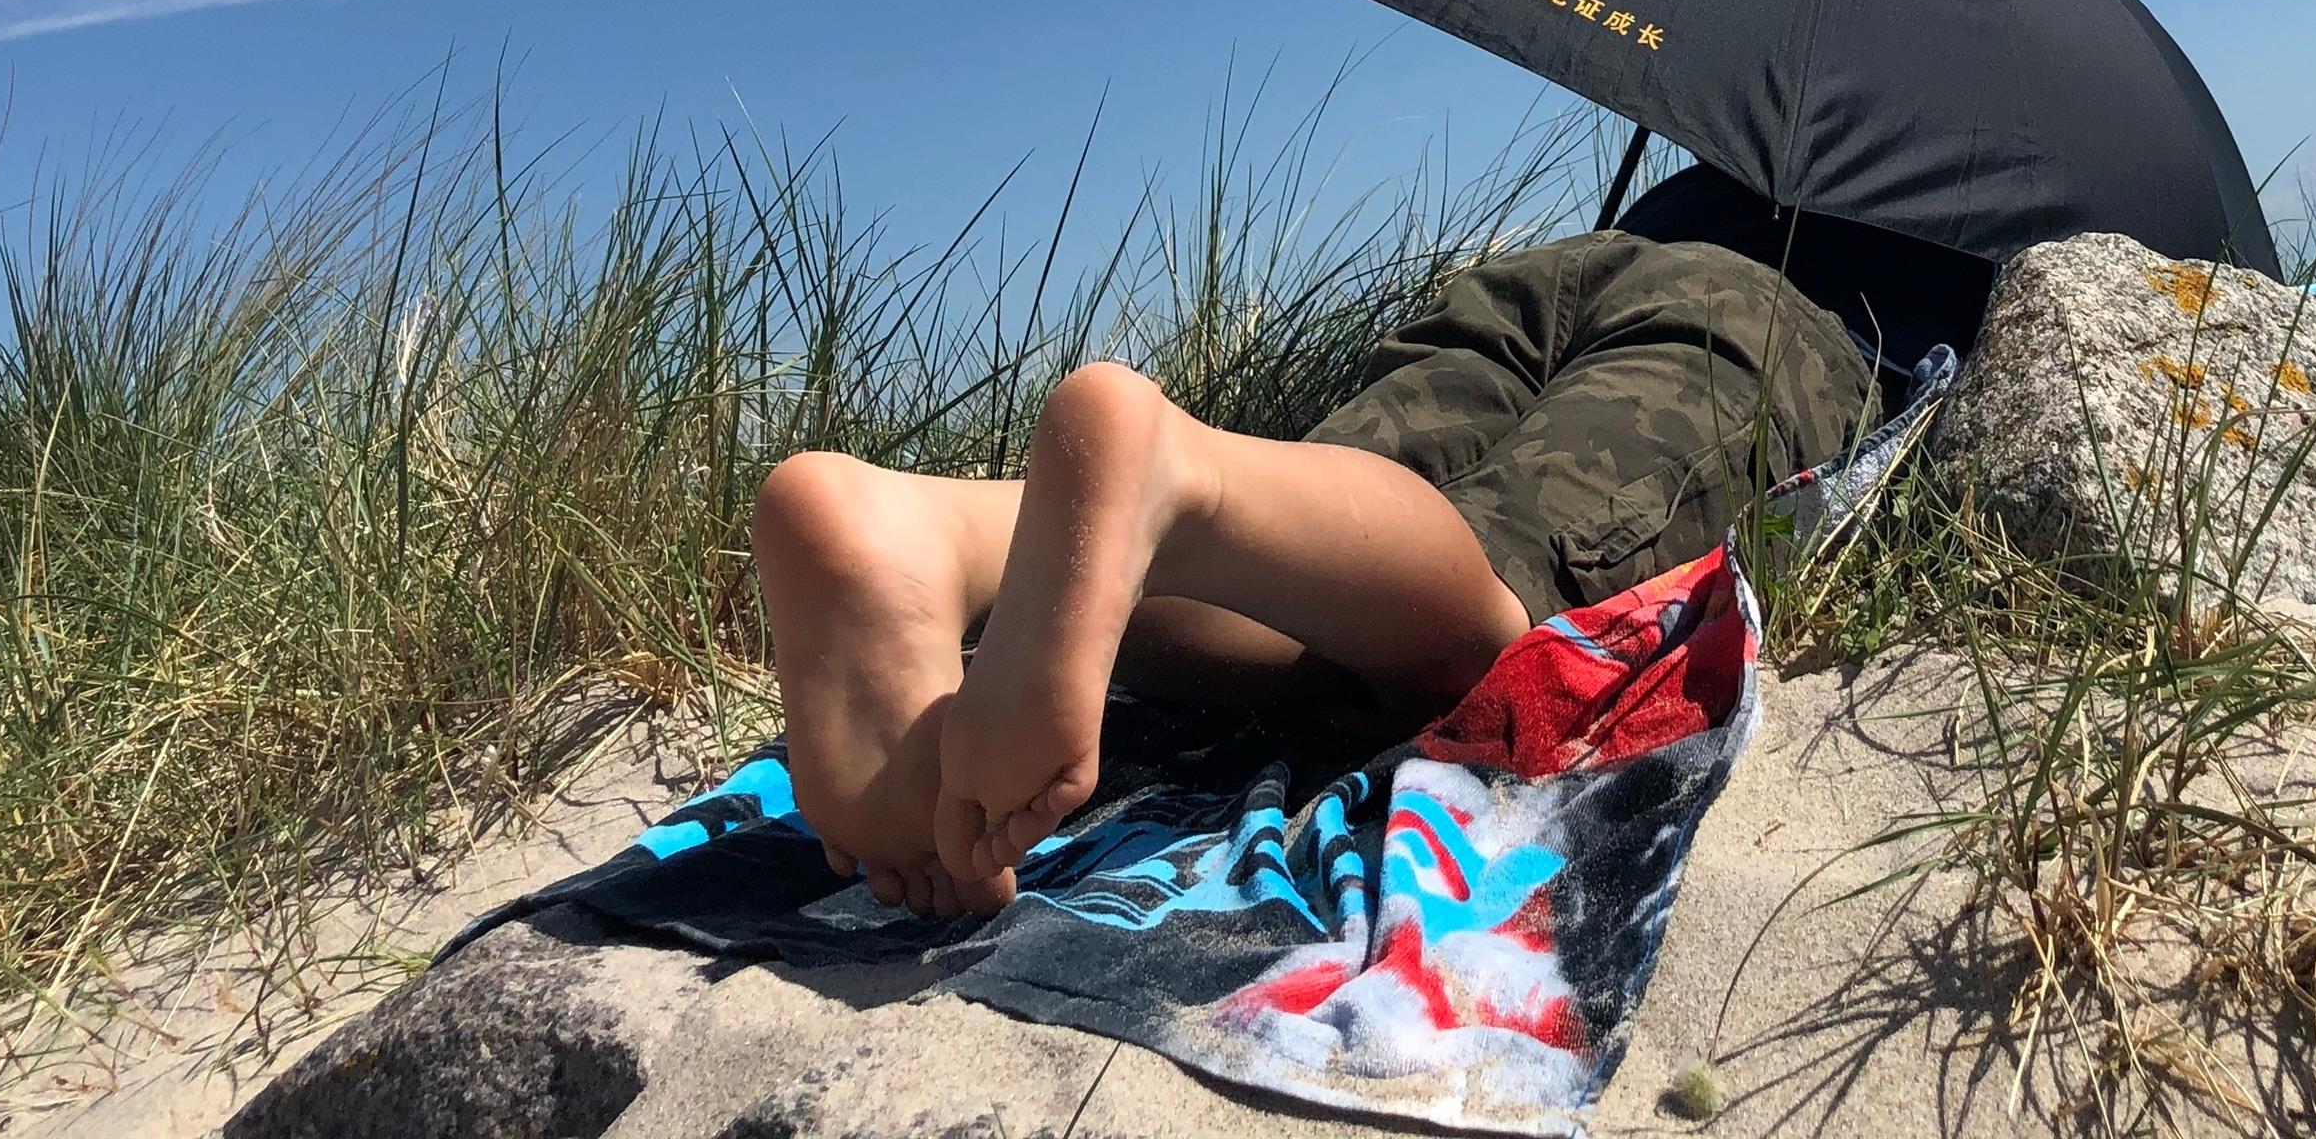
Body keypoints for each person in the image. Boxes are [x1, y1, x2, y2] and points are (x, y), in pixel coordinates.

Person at [754, 204, 1878, 920]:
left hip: (1538, 274)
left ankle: (948, 530)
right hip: (1770, 307)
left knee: (1295, 545)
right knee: (1503, 607)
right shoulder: (1927, 166)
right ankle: (1170, 476)